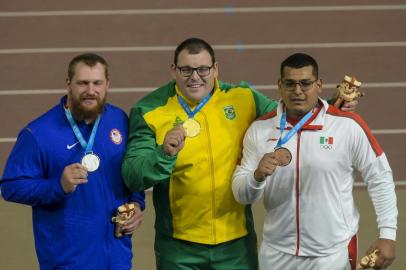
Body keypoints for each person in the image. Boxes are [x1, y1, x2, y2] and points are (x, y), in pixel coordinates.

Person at [121, 38, 357, 270]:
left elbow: (288, 116)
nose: (195, 76)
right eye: (186, 69)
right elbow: (133, 175)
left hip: (235, 244)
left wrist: (331, 105)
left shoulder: (243, 98)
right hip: (179, 247)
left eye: (203, 69)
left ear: (216, 69)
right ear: (173, 71)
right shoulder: (150, 110)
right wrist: (163, 153)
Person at [232, 53, 397, 270]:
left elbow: (380, 177)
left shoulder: (348, 126)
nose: (298, 91)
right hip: (276, 253)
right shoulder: (260, 130)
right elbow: (242, 195)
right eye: (290, 84)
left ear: (319, 85)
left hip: (332, 254)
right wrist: (256, 177)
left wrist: (387, 234)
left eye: (305, 83)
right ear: (279, 86)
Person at [0, 53, 145, 270]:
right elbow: (11, 186)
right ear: (68, 84)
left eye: (97, 83)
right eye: (82, 83)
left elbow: (131, 171)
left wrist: (136, 202)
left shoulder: (119, 120)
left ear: (108, 84)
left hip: (117, 258)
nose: (90, 91)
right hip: (68, 261)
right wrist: (56, 186)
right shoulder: (39, 133)